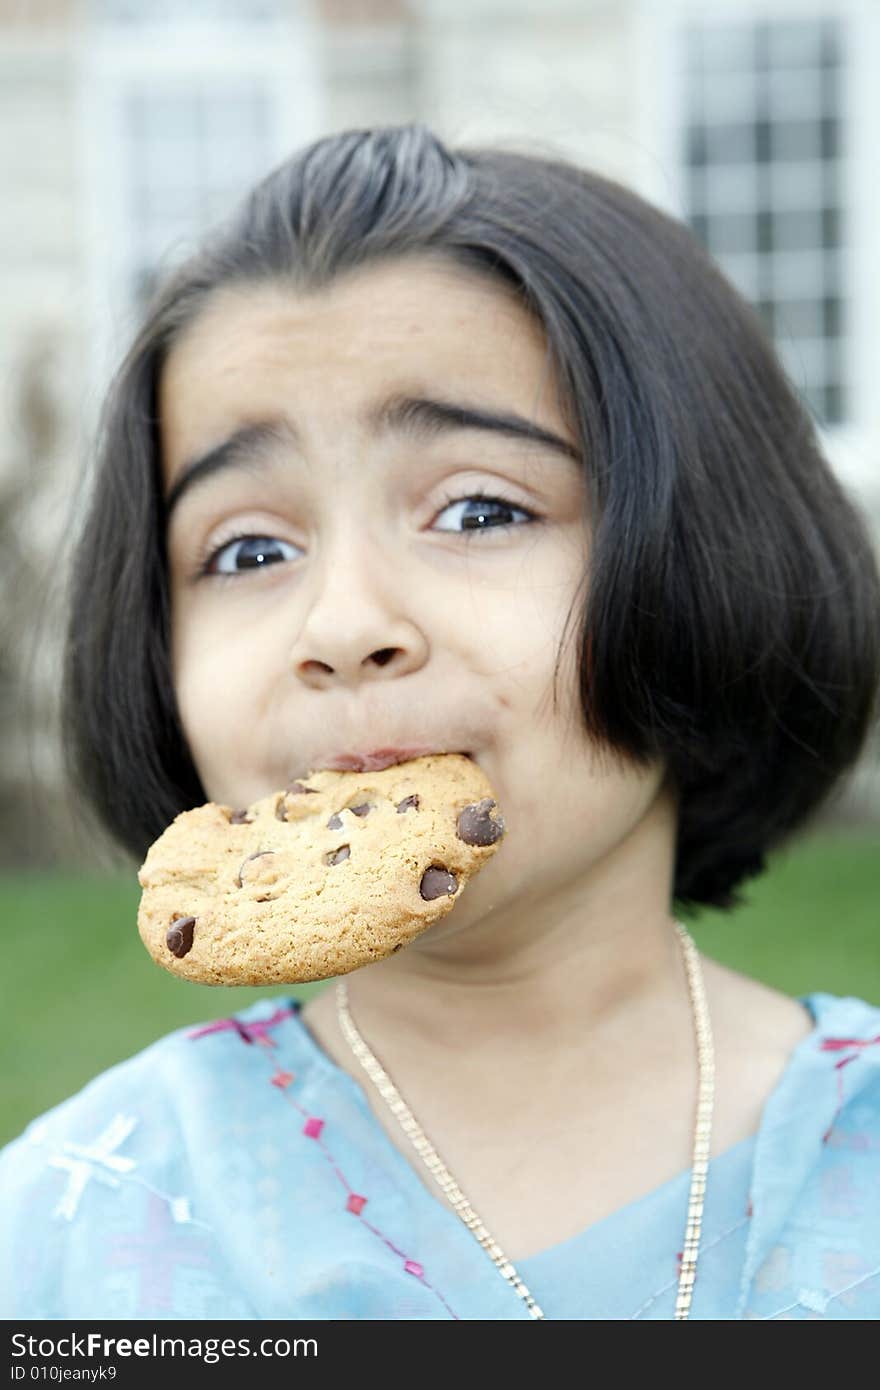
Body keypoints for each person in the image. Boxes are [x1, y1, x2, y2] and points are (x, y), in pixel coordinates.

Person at [2, 123, 879, 1321]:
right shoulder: (75, 1223)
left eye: (477, 510)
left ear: (700, 549)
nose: (344, 621)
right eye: (251, 547)